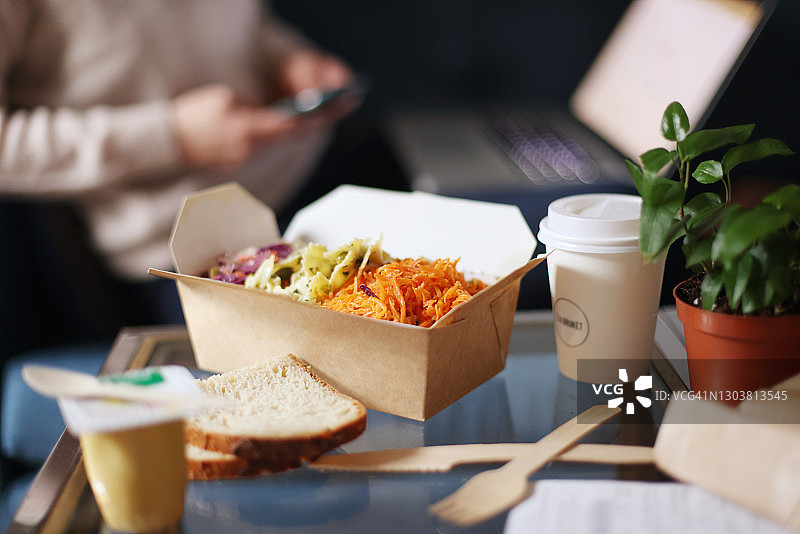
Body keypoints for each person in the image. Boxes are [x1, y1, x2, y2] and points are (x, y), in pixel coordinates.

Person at [0, 0, 356, 328]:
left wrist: (288, 59)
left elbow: (240, 21)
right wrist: (173, 137)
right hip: (188, 247)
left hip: (316, 171)